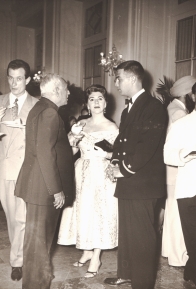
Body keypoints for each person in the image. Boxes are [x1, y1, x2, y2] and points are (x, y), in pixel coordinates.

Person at [104, 60, 167, 289]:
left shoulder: (153, 107)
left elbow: (147, 147)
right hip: (129, 182)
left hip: (143, 183)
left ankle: (142, 283)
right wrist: (114, 163)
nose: (116, 83)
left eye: (118, 78)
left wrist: (123, 169)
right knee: (128, 234)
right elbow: (122, 143)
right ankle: (126, 273)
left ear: (132, 78)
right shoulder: (128, 108)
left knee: (141, 238)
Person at [15, 73, 75, 289]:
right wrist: (56, 190)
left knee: (35, 246)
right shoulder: (50, 113)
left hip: (36, 187)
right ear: (57, 90)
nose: (69, 93)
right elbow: (44, 154)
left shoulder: (39, 108)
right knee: (39, 248)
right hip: (44, 190)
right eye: (66, 89)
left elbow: (47, 147)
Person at [58, 84, 119, 278]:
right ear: (87, 103)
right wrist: (73, 137)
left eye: (100, 98)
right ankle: (86, 251)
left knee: (98, 213)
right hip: (82, 172)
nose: (96, 102)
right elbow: (72, 152)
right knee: (82, 212)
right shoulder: (81, 124)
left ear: (106, 103)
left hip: (101, 174)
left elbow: (117, 155)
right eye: (92, 99)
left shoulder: (112, 127)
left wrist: (107, 154)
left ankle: (96, 257)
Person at [0, 59, 38, 281]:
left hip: (27, 169)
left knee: (22, 218)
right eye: (10, 77)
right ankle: (18, 256)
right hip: (4, 167)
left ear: (28, 80)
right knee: (12, 218)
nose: (14, 83)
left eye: (19, 78)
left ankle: (18, 261)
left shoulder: (37, 104)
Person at [164, 81, 196, 286]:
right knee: (192, 238)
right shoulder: (181, 124)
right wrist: (185, 155)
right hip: (189, 188)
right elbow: (168, 154)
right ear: (193, 97)